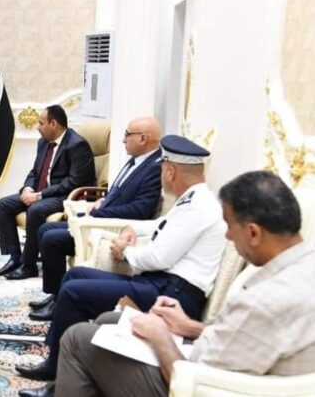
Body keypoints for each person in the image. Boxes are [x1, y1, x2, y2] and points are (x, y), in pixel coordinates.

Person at [52, 170, 315, 397]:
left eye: (230, 226)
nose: (227, 236)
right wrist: (190, 327)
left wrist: (160, 335)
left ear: (254, 233)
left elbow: (197, 382)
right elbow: (246, 338)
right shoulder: (303, 267)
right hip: (219, 366)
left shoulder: (266, 301)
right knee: (110, 320)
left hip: (196, 385)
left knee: (77, 339)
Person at [16, 135, 226, 397]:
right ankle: (56, 364)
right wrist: (130, 228)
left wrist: (124, 252)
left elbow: (159, 258)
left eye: (162, 168)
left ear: (171, 171)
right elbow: (159, 226)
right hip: (162, 285)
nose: (161, 174)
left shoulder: (198, 207)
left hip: (173, 297)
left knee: (73, 293)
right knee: (75, 275)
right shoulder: (192, 199)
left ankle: (57, 380)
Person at [30, 117, 163, 321]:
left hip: (108, 228)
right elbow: (118, 193)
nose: (123, 140)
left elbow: (139, 210)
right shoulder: (137, 160)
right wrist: (102, 201)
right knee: (45, 230)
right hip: (100, 218)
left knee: (51, 239)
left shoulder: (154, 167)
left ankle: (59, 302)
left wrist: (97, 214)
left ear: (143, 138)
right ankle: (55, 294)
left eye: (127, 135)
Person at [0, 105, 95, 280]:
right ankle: (15, 258)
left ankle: (29, 265)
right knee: (4, 205)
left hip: (64, 196)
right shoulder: (43, 142)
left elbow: (73, 182)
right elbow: (35, 172)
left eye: (41, 123)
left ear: (54, 124)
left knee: (35, 210)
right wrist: (28, 188)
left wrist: (39, 195)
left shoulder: (77, 145)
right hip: (41, 193)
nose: (38, 127)